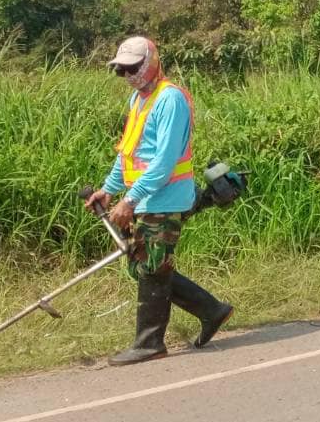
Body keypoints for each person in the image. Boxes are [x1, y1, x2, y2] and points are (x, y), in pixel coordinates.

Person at [83, 36, 233, 365]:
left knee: (151, 268)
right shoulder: (140, 100)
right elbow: (129, 153)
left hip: (166, 197)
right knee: (144, 265)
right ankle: (211, 310)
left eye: (133, 68)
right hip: (147, 198)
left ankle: (150, 343)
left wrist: (129, 200)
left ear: (151, 62)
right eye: (121, 71)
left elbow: (163, 163)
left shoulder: (170, 100)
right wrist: (108, 190)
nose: (128, 76)